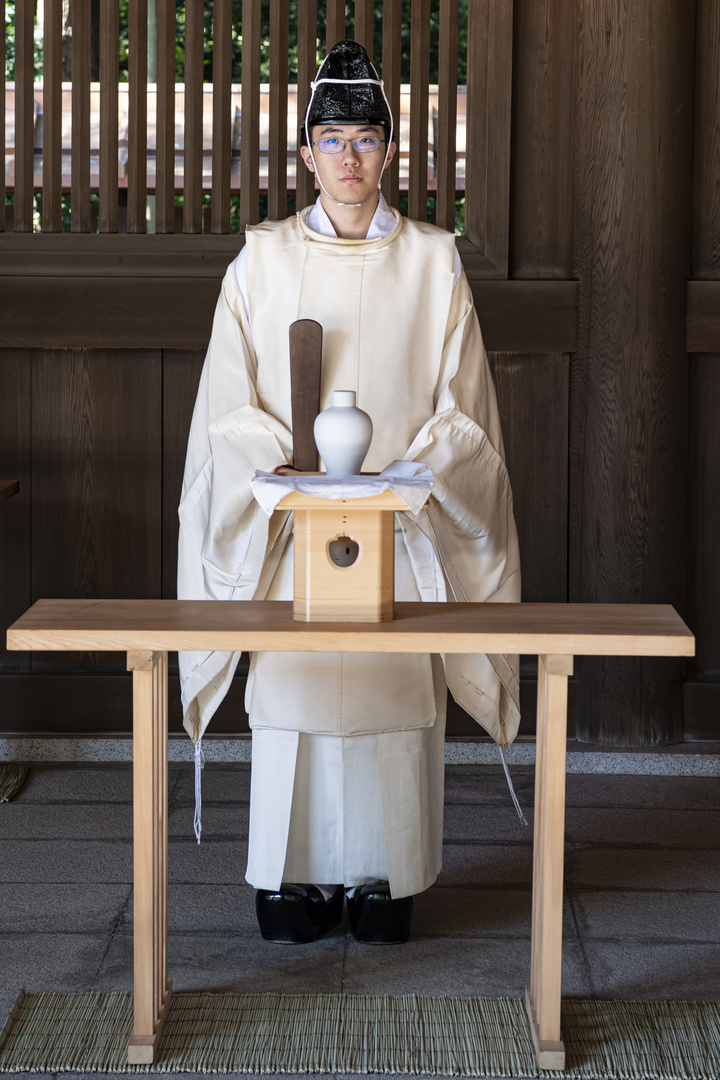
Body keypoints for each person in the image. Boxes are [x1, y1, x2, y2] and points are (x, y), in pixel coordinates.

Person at [178, 40, 521, 945]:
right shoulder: (258, 261)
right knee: (294, 699)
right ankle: (292, 881)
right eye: (331, 141)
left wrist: (421, 474)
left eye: (366, 140)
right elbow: (225, 410)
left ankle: (387, 878)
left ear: (390, 151)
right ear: (305, 155)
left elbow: (467, 414)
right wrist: (273, 470)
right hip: (293, 534)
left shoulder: (435, 263)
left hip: (399, 536)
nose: (349, 160)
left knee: (389, 703)